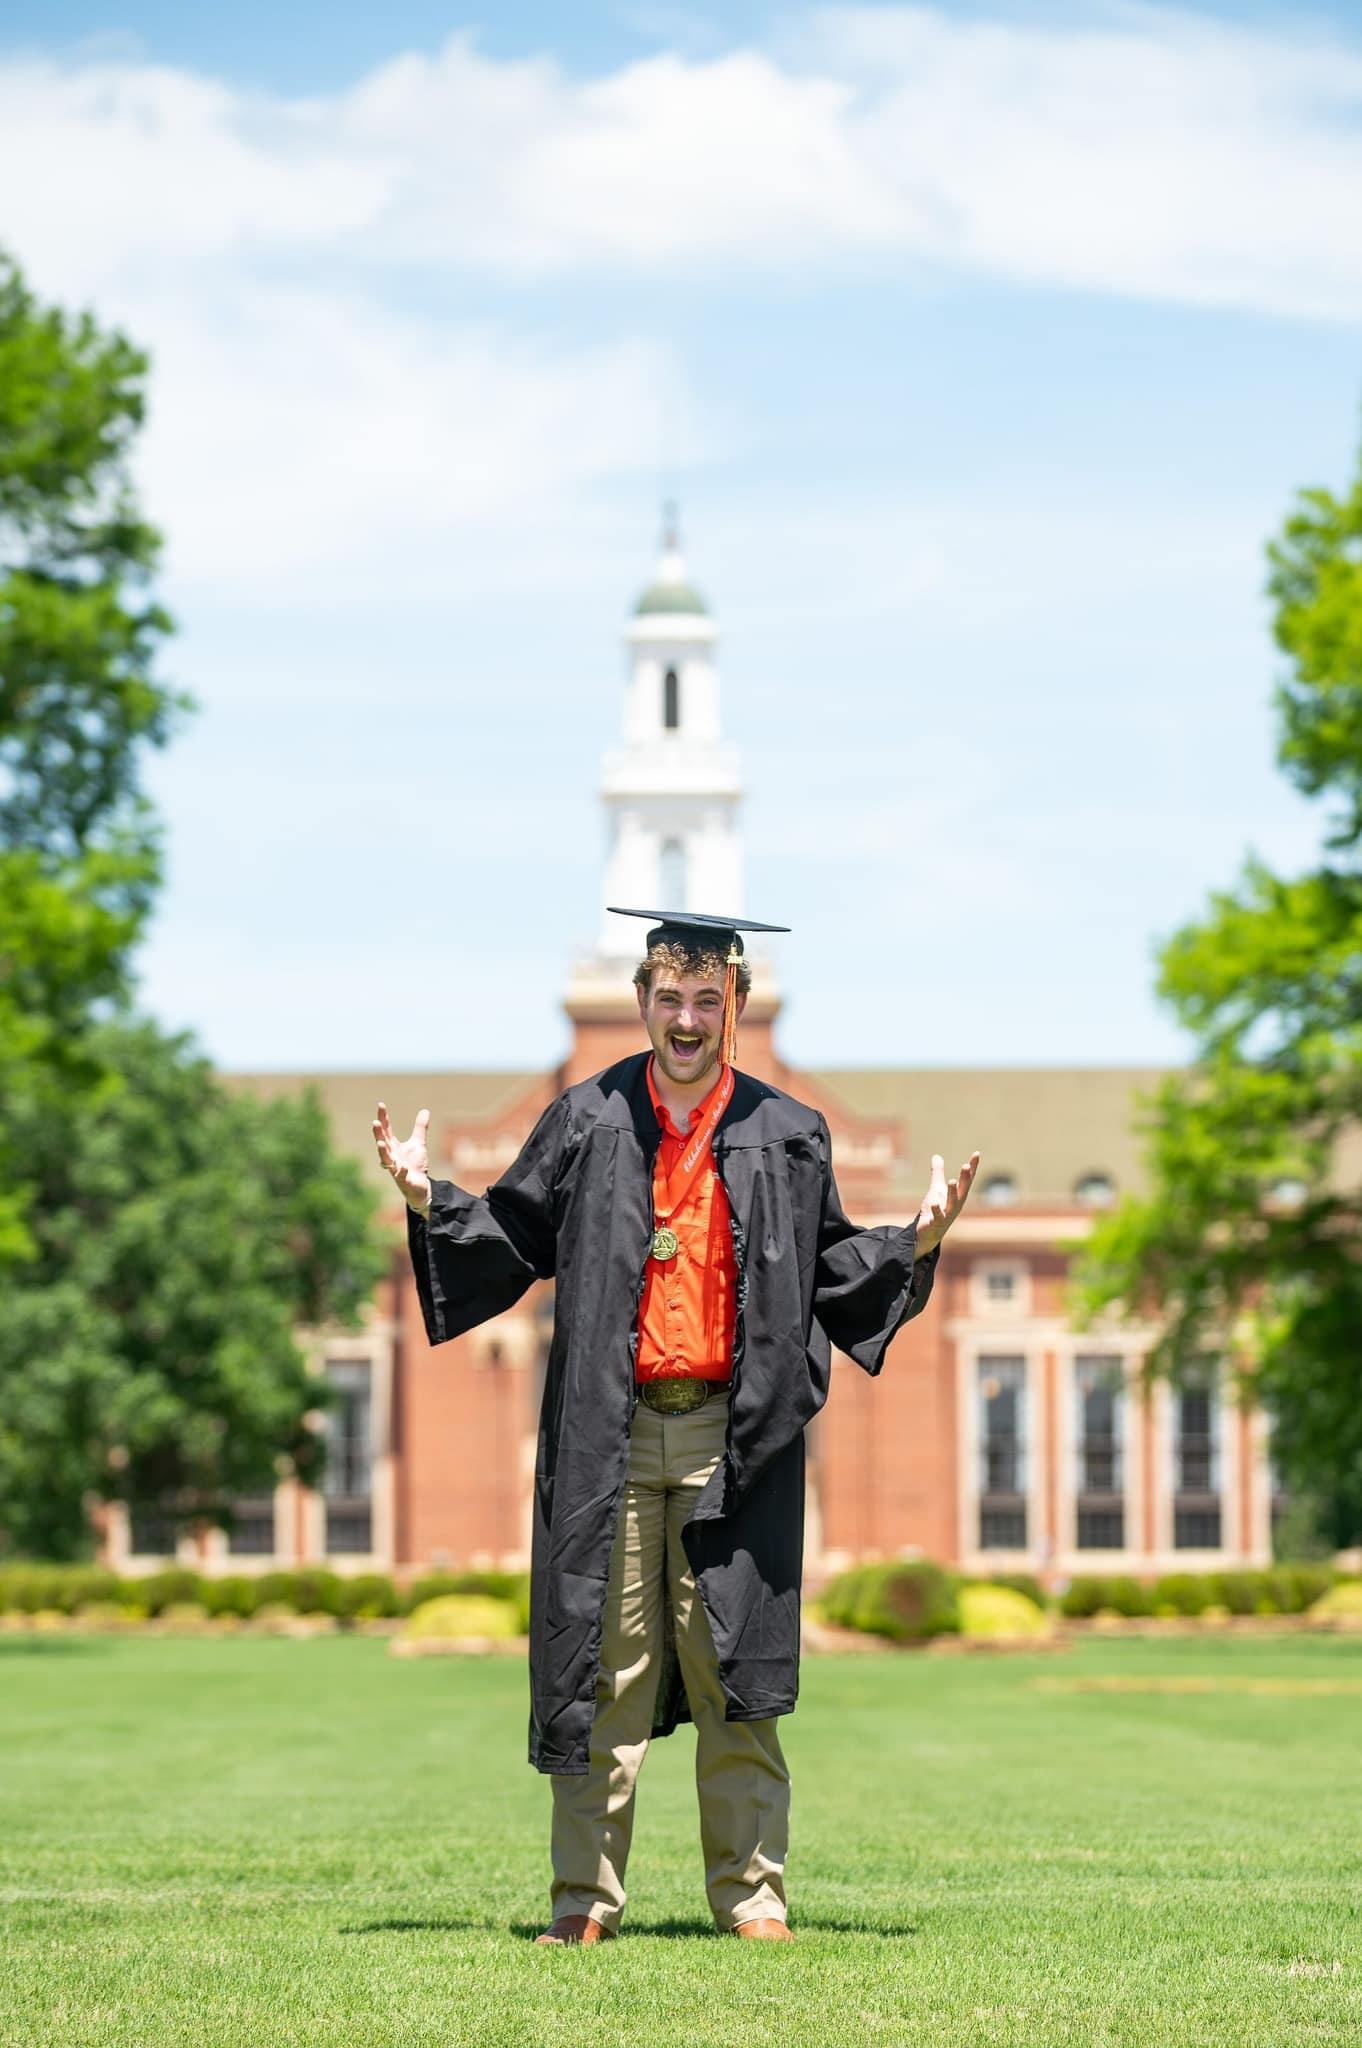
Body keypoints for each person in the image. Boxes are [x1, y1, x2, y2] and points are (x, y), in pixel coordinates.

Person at [372, 910, 977, 1946]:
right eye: (668, 999)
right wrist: (431, 1197)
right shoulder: (586, 1120)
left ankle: (753, 1895)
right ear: (644, 1001)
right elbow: (515, 1234)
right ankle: (582, 1901)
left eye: (706, 1000)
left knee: (733, 1663)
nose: (686, 1019)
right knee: (605, 1662)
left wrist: (913, 1241)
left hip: (731, 1438)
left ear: (730, 1002)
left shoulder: (788, 1132)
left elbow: (833, 1265)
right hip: (609, 1432)